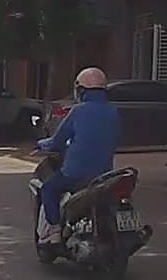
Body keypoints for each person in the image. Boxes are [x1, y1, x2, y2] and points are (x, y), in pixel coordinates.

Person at [35, 67, 119, 245]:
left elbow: (57, 141)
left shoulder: (78, 111)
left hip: (75, 174)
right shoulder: (113, 111)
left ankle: (54, 231)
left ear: (80, 90)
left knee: (48, 189)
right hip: (104, 175)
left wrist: (41, 144)